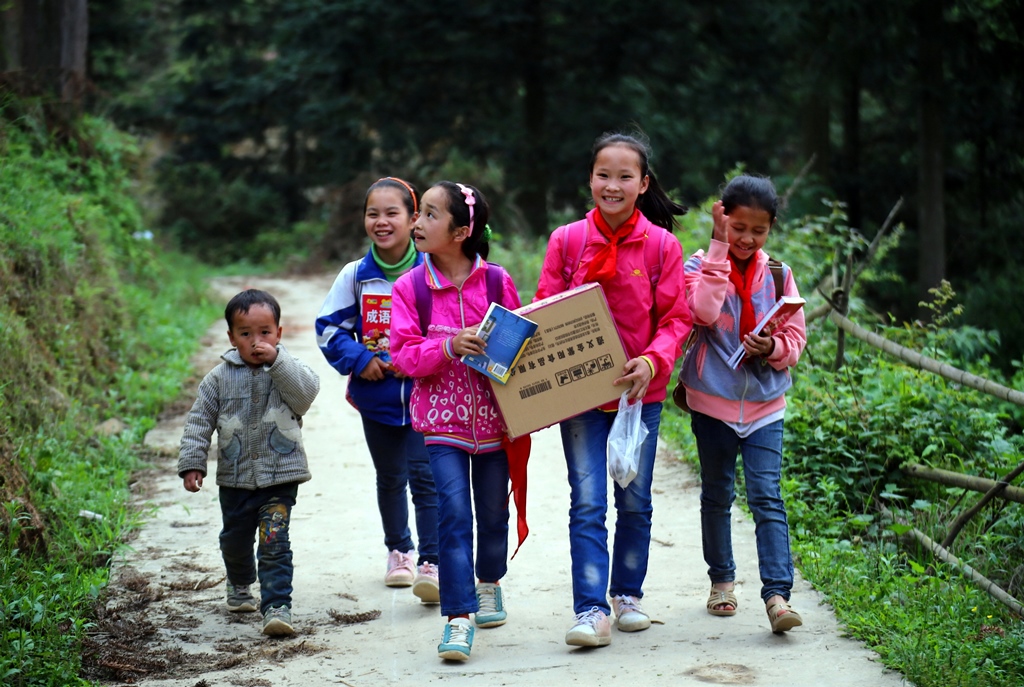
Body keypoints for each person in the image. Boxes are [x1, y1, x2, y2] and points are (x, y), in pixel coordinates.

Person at [534, 131, 693, 647]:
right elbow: (544, 311)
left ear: (643, 184)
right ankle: (590, 610)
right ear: (591, 179)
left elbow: (676, 318)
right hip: (579, 399)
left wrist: (651, 360)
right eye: (604, 174)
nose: (613, 184)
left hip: (636, 400)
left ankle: (627, 594)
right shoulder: (568, 241)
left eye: (625, 176)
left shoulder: (663, 247)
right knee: (586, 502)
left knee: (636, 500)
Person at [391, 181, 527, 662]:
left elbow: (521, 348)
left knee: (493, 515)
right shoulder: (410, 288)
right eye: (418, 213)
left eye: (429, 215)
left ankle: (489, 582)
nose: (416, 223)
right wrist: (450, 346)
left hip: (495, 425)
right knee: (454, 515)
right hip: (440, 428)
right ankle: (458, 617)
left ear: (462, 230)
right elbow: (404, 356)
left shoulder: (496, 282)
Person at [678, 174, 807, 634]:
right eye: (738, 228)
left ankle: (777, 595)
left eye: (759, 230)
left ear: (771, 228)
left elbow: (796, 339)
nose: (747, 239)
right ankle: (722, 582)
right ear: (722, 218)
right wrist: (717, 248)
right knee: (716, 494)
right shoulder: (697, 265)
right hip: (712, 403)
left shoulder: (779, 275)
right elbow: (704, 314)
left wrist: (771, 348)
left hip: (766, 407)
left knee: (766, 497)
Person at [315, 177, 440, 602]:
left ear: (414, 219)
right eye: (374, 213)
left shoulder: (432, 270)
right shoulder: (356, 276)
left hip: (427, 395)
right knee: (390, 477)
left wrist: (424, 357)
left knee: (426, 478)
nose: (382, 222)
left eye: (393, 213)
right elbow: (329, 329)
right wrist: (360, 359)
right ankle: (399, 552)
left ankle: (433, 561)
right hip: (378, 401)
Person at [178, 289, 320, 637]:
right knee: (235, 540)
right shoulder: (218, 378)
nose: (257, 341)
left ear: (279, 333)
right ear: (231, 337)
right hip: (235, 479)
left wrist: (277, 362)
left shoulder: (288, 369)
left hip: (279, 476)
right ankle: (240, 582)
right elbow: (199, 422)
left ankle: (276, 606)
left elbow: (305, 396)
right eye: (246, 334)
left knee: (274, 540)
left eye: (265, 333)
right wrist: (192, 462)